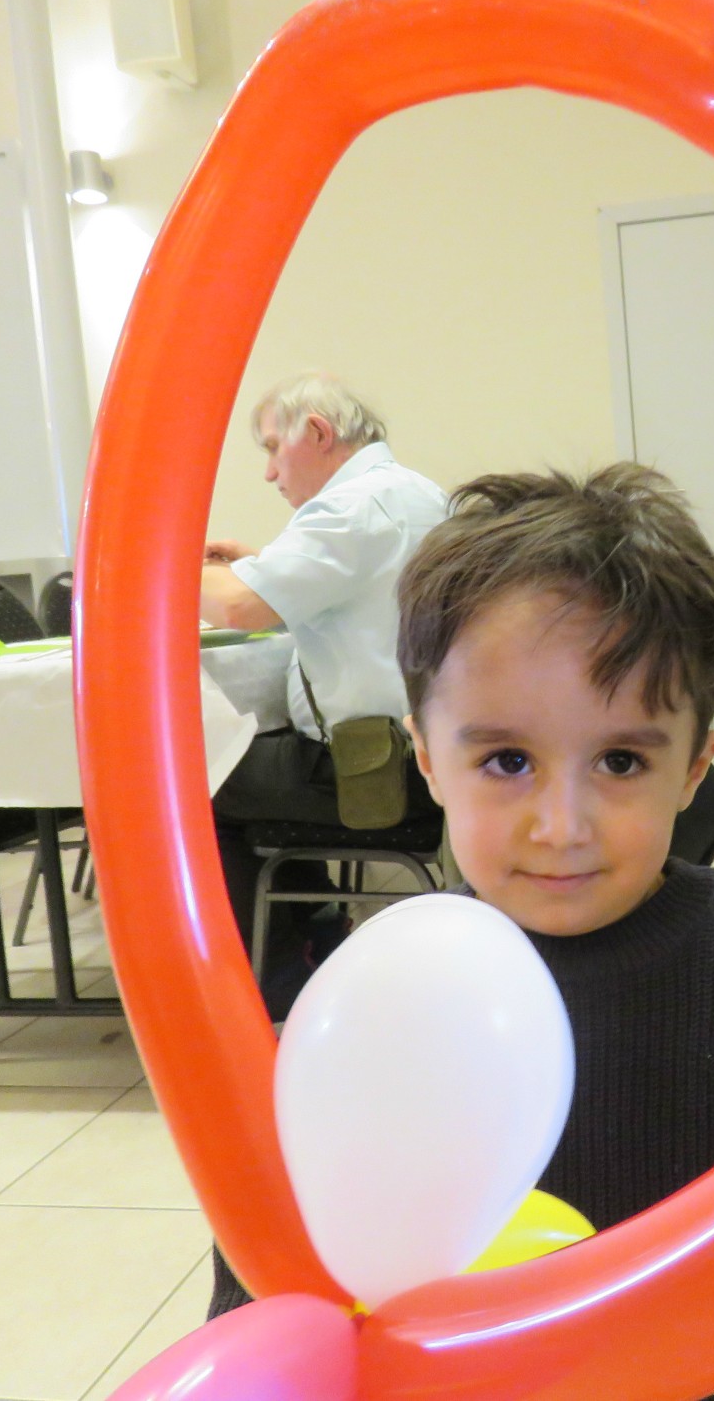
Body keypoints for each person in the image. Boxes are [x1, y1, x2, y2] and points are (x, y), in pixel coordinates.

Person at [209, 464, 714, 1398]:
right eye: (507, 759)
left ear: (693, 770)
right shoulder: (372, 1008)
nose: (561, 824)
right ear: (427, 758)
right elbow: (274, 1284)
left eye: (618, 759)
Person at [198, 373, 450, 1013]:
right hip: (429, 756)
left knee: (197, 780)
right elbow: (351, 593)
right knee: (254, 756)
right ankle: (316, 928)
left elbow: (240, 607)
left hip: (378, 772)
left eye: (272, 448)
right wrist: (256, 561)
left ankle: (281, 976)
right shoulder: (415, 493)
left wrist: (175, 556)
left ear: (317, 432)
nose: (269, 473)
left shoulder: (350, 508)